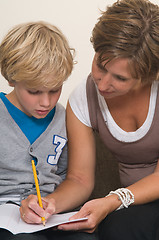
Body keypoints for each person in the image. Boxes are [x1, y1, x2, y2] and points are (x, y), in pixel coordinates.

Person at [46, 0, 159, 239]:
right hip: (133, 207)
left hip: (134, 201)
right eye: (100, 65)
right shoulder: (83, 98)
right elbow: (79, 178)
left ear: (149, 76)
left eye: (120, 78)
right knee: (117, 227)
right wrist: (49, 204)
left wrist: (114, 199)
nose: (103, 83)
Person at [0, 21, 96, 240]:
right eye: (34, 91)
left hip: (49, 217)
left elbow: (70, 178)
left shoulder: (64, 118)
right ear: (11, 79)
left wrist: (51, 204)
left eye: (55, 90)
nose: (46, 102)